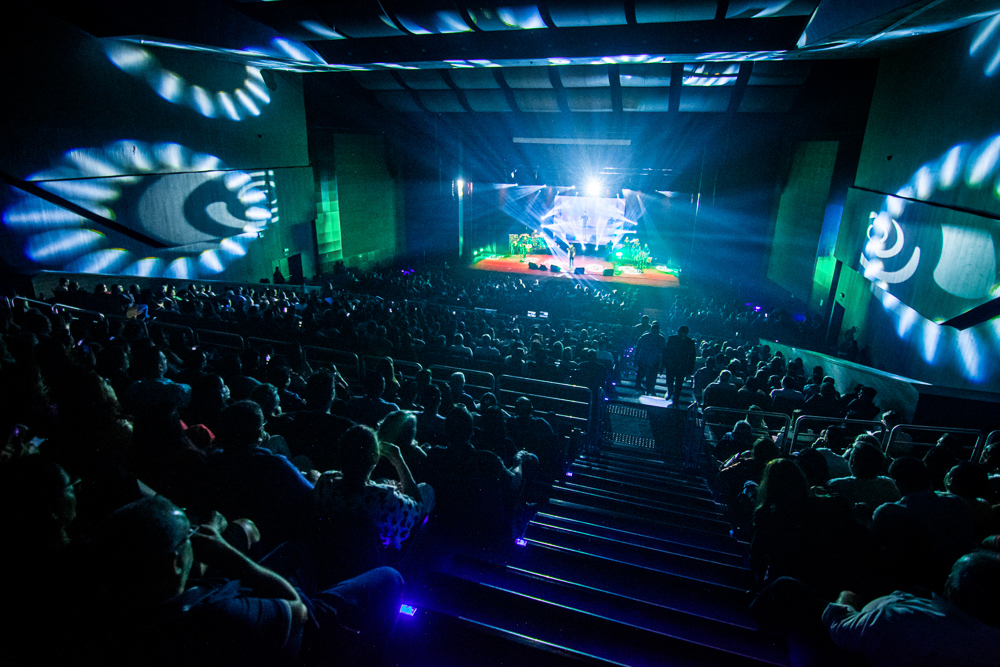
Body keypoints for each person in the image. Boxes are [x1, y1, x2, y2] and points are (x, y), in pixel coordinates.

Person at [93, 495, 404, 666]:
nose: (192, 539)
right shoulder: (214, 616)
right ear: (174, 563)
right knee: (390, 578)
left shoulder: (121, 607)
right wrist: (227, 553)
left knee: (297, 549)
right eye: (187, 536)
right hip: (296, 626)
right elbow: (296, 609)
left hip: (248, 601)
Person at [823, 551, 1000, 667]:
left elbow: (839, 627)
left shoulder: (904, 620)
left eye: (951, 574)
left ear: (956, 594)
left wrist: (846, 597)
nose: (946, 577)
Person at [663, 325, 697, 406]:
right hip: (671, 364)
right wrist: (664, 363)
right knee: (669, 380)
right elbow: (666, 352)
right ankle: (670, 392)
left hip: (682, 366)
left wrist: (690, 371)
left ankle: (675, 398)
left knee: (679, 383)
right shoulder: (672, 339)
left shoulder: (690, 342)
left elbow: (692, 358)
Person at [633, 321, 666, 395]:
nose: (655, 334)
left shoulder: (660, 339)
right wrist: (636, 359)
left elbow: (664, 352)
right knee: (642, 373)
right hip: (645, 358)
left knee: (652, 375)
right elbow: (638, 349)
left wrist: (662, 364)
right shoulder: (646, 337)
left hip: (653, 360)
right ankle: (640, 385)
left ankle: (649, 388)